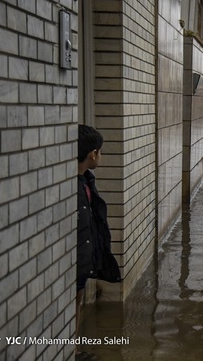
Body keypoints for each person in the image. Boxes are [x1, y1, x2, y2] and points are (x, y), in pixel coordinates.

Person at [77, 125, 121, 359]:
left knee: (78, 298)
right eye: (100, 152)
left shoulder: (85, 180)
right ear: (93, 154)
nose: (101, 156)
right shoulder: (76, 186)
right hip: (79, 259)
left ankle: (73, 349)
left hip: (84, 258)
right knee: (75, 300)